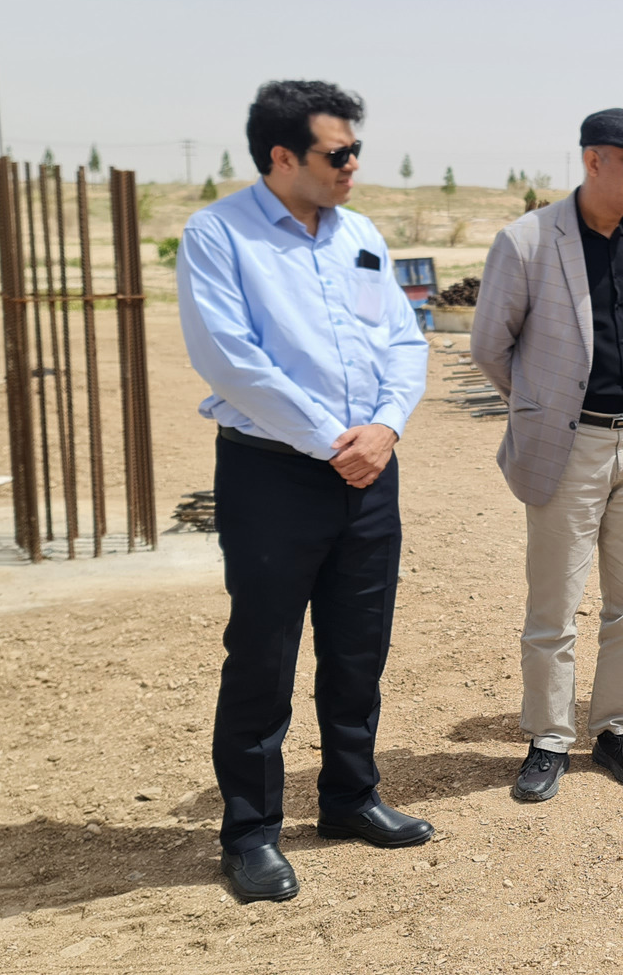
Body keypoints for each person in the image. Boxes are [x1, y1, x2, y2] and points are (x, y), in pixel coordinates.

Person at [178, 80, 433, 903]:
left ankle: (350, 798)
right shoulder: (219, 234)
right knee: (264, 653)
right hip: (274, 473)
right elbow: (230, 359)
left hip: (371, 467)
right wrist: (334, 441)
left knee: (359, 645)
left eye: (356, 149)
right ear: (283, 156)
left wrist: (385, 427)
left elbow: (403, 339)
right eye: (339, 152)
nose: (354, 164)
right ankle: (251, 833)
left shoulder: (359, 233)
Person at [470, 109, 623, 800]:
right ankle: (549, 738)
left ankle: (618, 728)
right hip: (570, 444)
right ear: (593, 161)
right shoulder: (528, 240)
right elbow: (490, 347)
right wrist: (543, 408)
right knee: (555, 604)